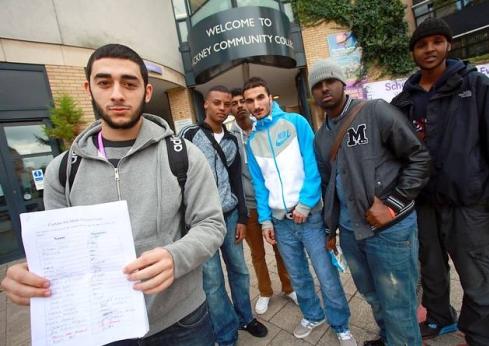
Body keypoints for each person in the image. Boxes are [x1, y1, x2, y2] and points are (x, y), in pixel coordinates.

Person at [0, 44, 226, 345]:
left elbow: (211, 224)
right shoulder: (62, 169)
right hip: (104, 328)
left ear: (146, 91)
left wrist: (176, 257)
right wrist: (33, 276)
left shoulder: (183, 154)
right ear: (89, 88)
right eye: (104, 82)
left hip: (182, 319)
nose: (117, 94)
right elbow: (59, 251)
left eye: (129, 83)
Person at [310, 60, 431, 346]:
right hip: (351, 234)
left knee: (398, 306)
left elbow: (419, 158)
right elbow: (329, 186)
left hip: (390, 231)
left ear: (342, 84)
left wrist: (391, 205)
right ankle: (390, 338)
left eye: (330, 81)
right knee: (373, 297)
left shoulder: (375, 111)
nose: (324, 87)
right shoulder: (321, 137)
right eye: (317, 84)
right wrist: (330, 231)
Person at [391, 17, 489, 346]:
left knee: (476, 273)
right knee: (431, 268)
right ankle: (439, 318)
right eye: (421, 44)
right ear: (413, 52)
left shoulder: (474, 87)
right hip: (422, 202)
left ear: (449, 45)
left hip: (467, 200)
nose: (429, 49)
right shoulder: (404, 100)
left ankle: (478, 332)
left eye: (436, 42)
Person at [243, 77, 356, 345]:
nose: (256, 104)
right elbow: (260, 184)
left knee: (326, 275)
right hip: (281, 222)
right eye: (250, 100)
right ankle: (313, 315)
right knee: (298, 276)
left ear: (270, 98)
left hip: (310, 216)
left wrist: (305, 204)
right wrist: (265, 221)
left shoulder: (296, 123)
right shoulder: (252, 140)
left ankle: (340, 324)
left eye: (260, 97)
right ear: (245, 104)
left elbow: (312, 165)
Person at [180, 85, 267, 346]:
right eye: (216, 103)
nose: (222, 108)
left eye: (226, 104)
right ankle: (225, 332)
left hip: (229, 217)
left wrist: (241, 218)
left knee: (239, 270)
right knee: (213, 281)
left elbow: (235, 181)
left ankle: (245, 317)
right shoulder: (189, 135)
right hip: (199, 221)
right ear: (205, 104)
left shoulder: (231, 140)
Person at [229, 88, 297, 315]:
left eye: (242, 101)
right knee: (257, 254)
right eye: (235, 103)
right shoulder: (230, 138)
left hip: (271, 203)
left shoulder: (263, 130)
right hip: (247, 207)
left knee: (281, 249)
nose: (239, 106)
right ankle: (266, 292)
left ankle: (289, 288)